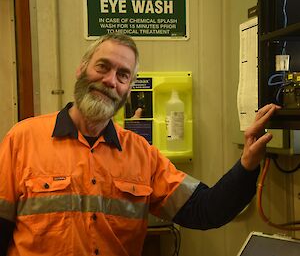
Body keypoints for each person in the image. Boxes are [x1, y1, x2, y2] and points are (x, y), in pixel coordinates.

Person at [0, 32, 280, 256]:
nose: (110, 81)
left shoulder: (141, 155)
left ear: (129, 88)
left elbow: (206, 210)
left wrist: (247, 164)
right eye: (103, 66)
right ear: (82, 69)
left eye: (123, 75)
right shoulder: (22, 139)